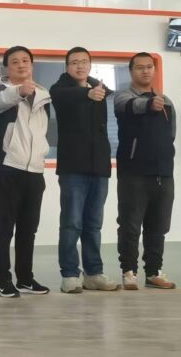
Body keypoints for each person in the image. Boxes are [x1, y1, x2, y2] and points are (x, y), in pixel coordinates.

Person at [50, 46, 118, 294]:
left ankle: (94, 273)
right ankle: (69, 274)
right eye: (74, 62)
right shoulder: (61, 89)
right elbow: (62, 95)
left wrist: (93, 92)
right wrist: (87, 94)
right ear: (67, 66)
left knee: (94, 224)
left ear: (90, 65)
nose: (80, 66)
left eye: (84, 62)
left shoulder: (98, 88)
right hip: (73, 167)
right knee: (71, 223)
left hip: (99, 166)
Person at [0, 46, 51, 298]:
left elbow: (42, 131)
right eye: (15, 62)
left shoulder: (44, 95)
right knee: (4, 228)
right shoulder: (0, 91)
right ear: (7, 67)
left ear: (32, 65)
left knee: (28, 229)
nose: (21, 65)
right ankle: (3, 280)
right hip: (9, 167)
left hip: (35, 170)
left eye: (26, 60)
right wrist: (19, 91)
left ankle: (25, 278)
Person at [113, 52, 177, 291]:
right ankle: (129, 272)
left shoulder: (166, 101)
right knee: (130, 225)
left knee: (158, 226)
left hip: (163, 172)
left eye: (149, 66)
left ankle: (154, 272)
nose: (145, 71)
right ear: (131, 71)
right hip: (133, 172)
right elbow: (131, 106)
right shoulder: (123, 96)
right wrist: (149, 104)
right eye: (140, 67)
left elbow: (171, 133)